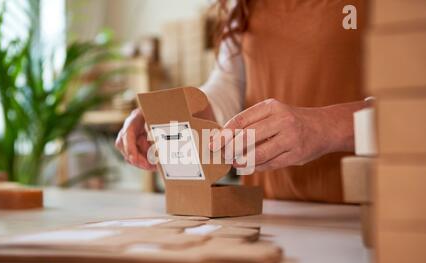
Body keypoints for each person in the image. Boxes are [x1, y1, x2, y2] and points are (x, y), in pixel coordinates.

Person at [115, 0, 372, 203]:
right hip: (270, 211)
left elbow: (410, 110)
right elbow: (230, 86)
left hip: (363, 214)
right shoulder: (243, 4)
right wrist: (173, 114)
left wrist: (327, 127)